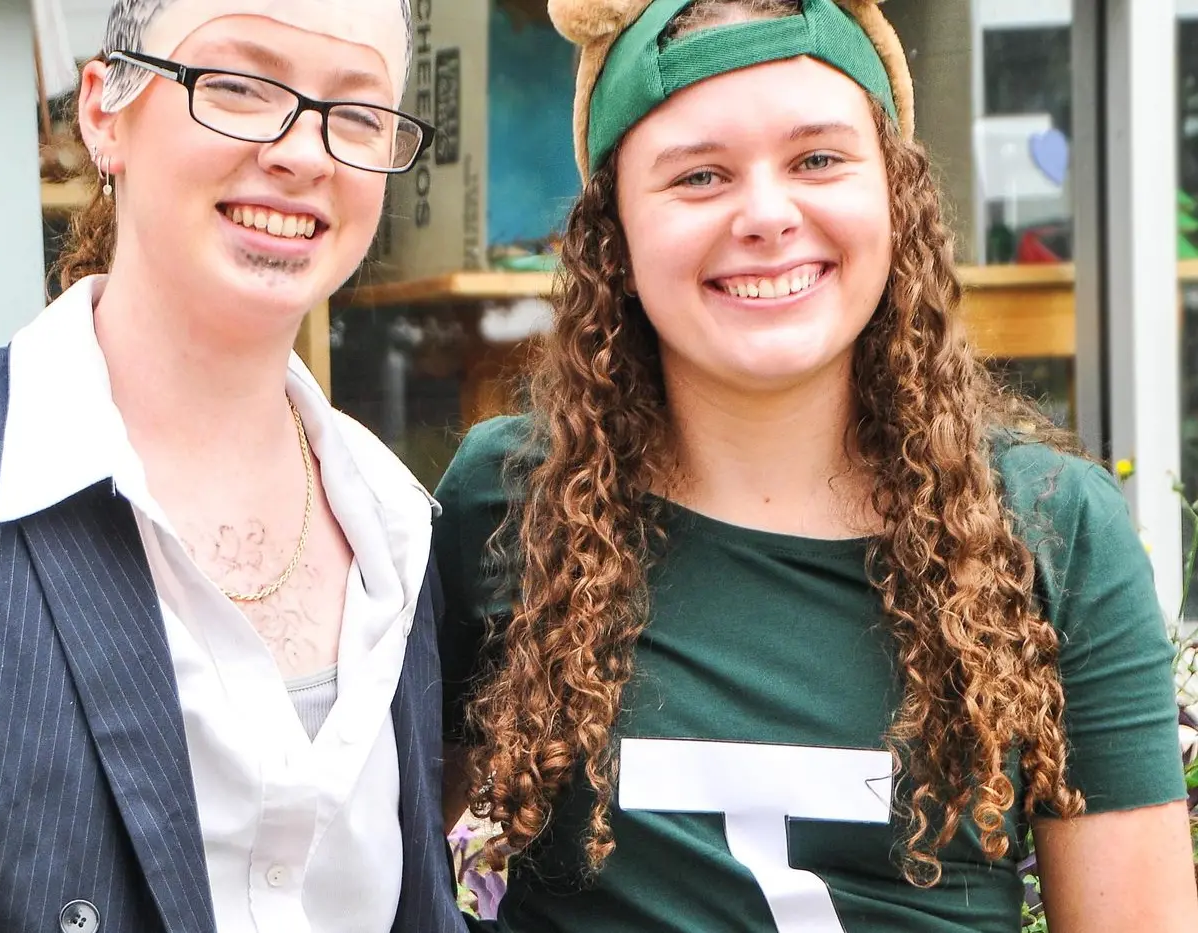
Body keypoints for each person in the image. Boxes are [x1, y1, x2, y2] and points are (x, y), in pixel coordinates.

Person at [436, 1, 1198, 931]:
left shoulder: (1050, 526)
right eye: (700, 175)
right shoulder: (506, 500)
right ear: (615, 238)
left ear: (896, 197)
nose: (766, 215)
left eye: (818, 159)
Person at [0, 2, 468, 931]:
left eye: (355, 114)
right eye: (238, 85)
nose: (303, 152)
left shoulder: (400, 524)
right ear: (106, 111)